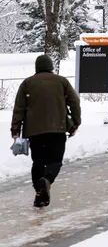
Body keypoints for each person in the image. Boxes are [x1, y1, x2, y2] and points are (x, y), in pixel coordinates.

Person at [10, 55, 81, 208]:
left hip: (34, 132)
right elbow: (74, 102)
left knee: (38, 163)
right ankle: (47, 180)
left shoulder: (27, 83)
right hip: (57, 128)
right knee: (55, 160)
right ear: (50, 66)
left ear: (37, 67)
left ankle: (38, 194)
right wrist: (75, 122)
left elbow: (19, 109)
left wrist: (15, 129)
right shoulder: (62, 82)